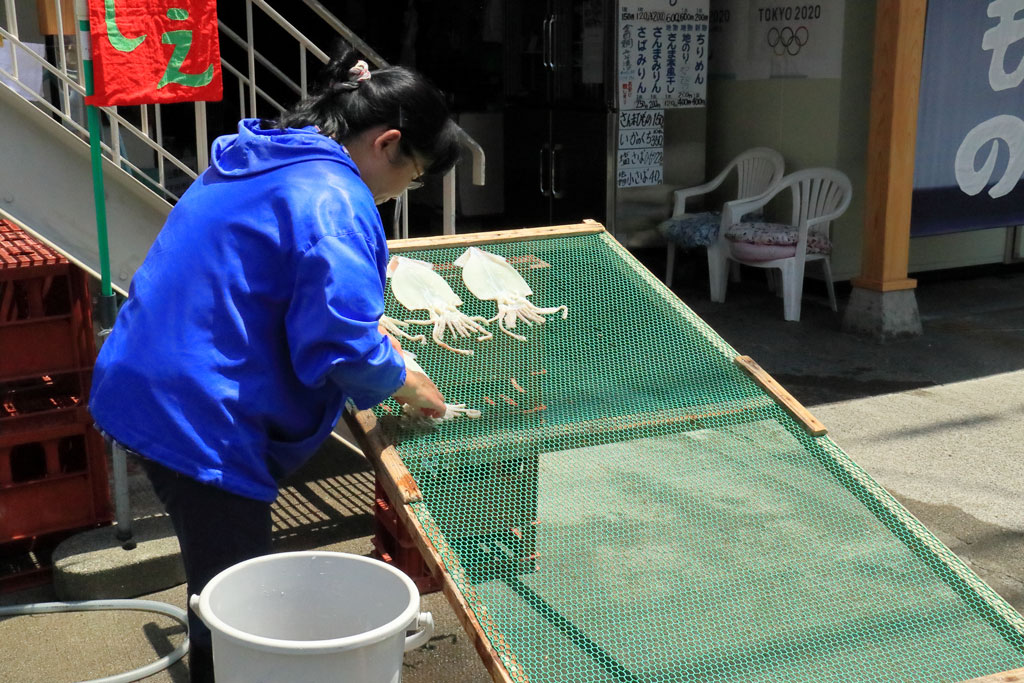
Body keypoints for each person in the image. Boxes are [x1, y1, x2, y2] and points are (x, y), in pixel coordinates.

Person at [88, 48, 458, 682]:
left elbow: (273, 282)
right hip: (199, 415)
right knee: (237, 599)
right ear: (388, 142)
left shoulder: (263, 152)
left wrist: (370, 338)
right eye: (416, 174)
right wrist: (404, 381)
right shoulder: (334, 197)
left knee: (219, 575)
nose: (407, 191)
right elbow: (342, 345)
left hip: (144, 378)